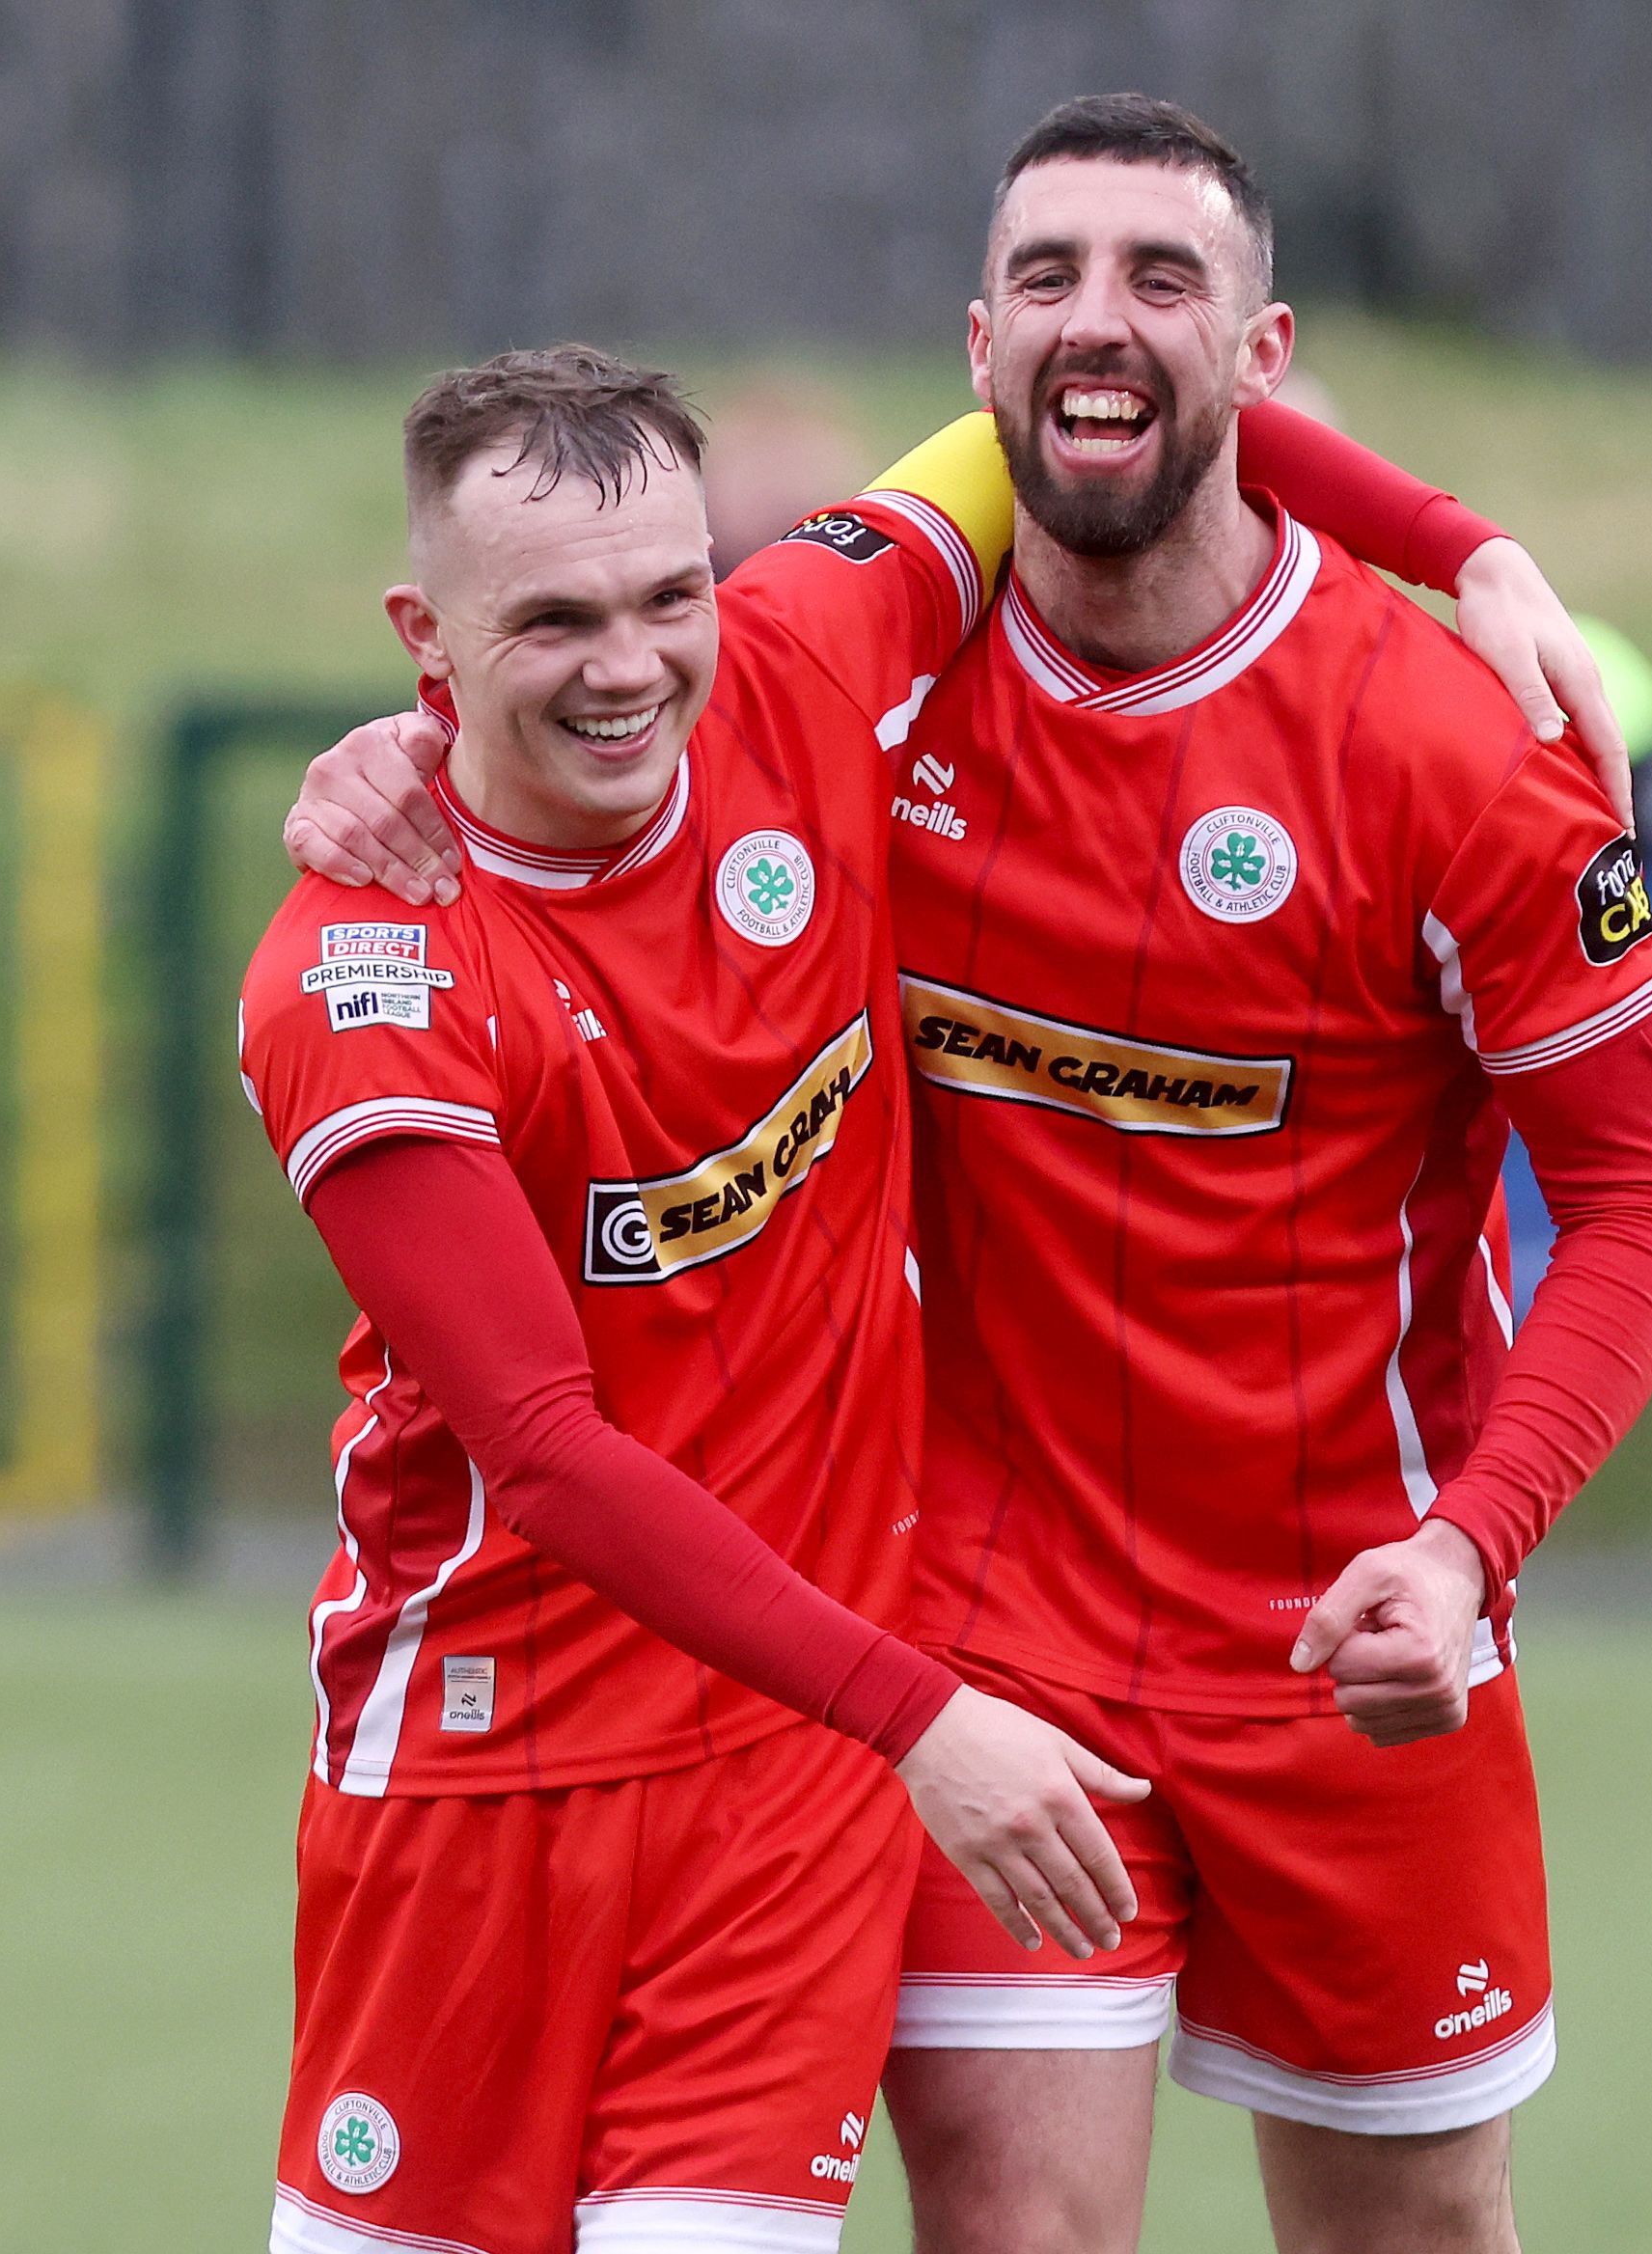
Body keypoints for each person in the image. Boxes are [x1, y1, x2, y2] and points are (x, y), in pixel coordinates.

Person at [281, 96, 1652, 2254]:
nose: (1094, 324)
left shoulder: (1451, 745)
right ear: (973, 345)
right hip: (972, 1633)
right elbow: (577, 658)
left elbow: (1641, 1197)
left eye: (1160, 280)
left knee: (1409, 2229)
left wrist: (1471, 1538)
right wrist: (417, 749)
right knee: (1014, 2222)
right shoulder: (855, 653)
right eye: (1044, 279)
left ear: (1263, 344)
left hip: (1350, 1620)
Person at [243, 349, 1155, 2254]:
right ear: (426, 632)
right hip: (482, 1782)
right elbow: (549, 1459)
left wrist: (1463, 554)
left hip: (780, 1763)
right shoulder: (363, 977)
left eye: (668, 597)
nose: (630, 662)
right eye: (550, 619)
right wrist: (929, 1723)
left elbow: (1088, 399)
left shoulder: (808, 656)